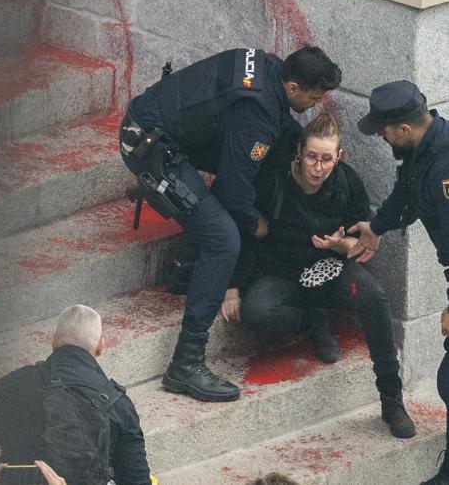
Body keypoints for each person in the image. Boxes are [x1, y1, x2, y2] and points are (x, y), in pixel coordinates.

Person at [120, 45, 341, 402]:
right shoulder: (258, 113)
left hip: (171, 125)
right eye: (314, 95)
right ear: (293, 87)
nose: (316, 103)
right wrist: (258, 226)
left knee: (267, 160)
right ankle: (185, 364)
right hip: (148, 145)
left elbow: (279, 130)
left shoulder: (269, 67)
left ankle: (190, 264)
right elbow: (236, 193)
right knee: (224, 238)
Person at [221, 112, 415, 439]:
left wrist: (341, 244)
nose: (318, 167)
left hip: (329, 269)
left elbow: (360, 242)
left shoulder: (347, 182)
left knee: (374, 296)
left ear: (338, 157)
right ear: (300, 152)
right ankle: (312, 320)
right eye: (312, 156)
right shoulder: (275, 182)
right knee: (257, 311)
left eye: (327, 159)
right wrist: (232, 286)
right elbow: (246, 232)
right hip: (281, 272)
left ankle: (392, 399)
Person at [349, 81, 449, 483]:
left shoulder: (445, 169)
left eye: (384, 131)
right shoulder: (425, 150)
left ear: (403, 129)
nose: (382, 136)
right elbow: (407, 195)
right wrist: (375, 226)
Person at [0, 305, 151, 485]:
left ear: (54, 341)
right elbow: (137, 480)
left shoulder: (12, 385)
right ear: (100, 347)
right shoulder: (119, 405)